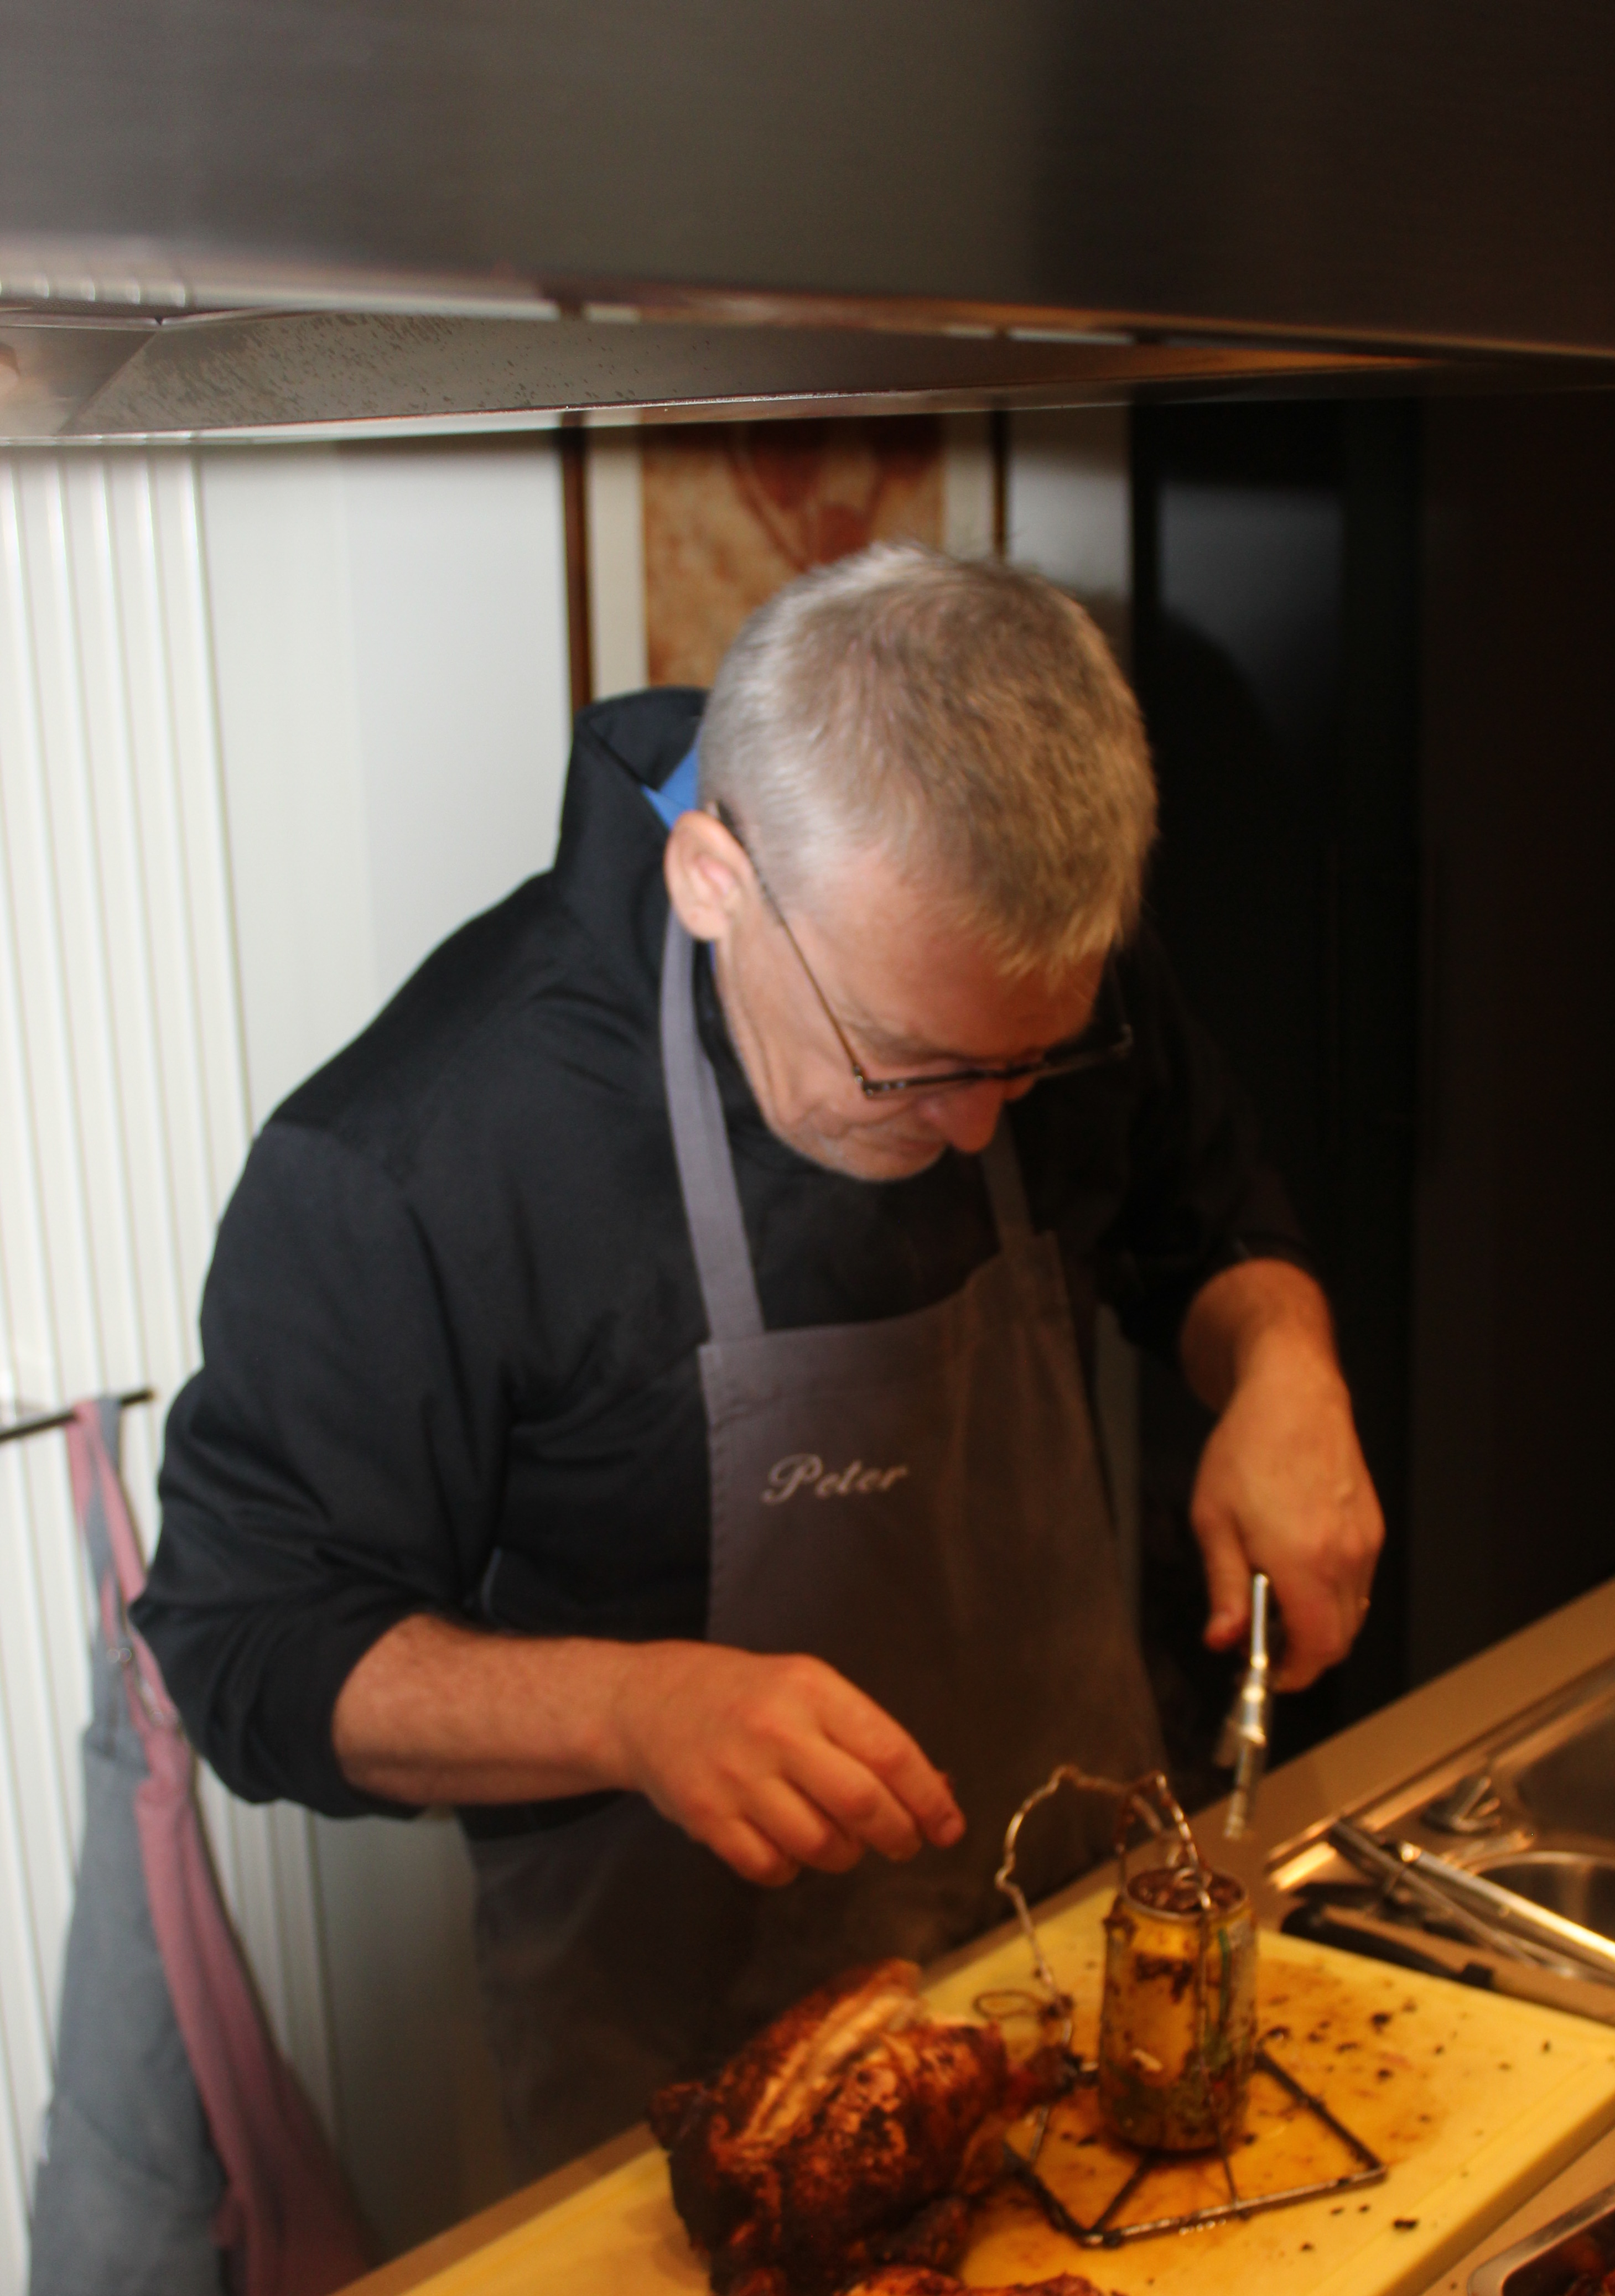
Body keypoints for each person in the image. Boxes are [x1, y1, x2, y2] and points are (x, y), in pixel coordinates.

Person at [136, 544, 1382, 2178]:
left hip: (1082, 1959)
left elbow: (1206, 1219)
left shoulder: (1012, 963)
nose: (977, 1128)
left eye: (1027, 1064)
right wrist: (631, 1706)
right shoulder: (414, 1157)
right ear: (712, 877)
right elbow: (247, 1643)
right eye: (907, 1065)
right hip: (695, 2093)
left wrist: (1287, 1365)